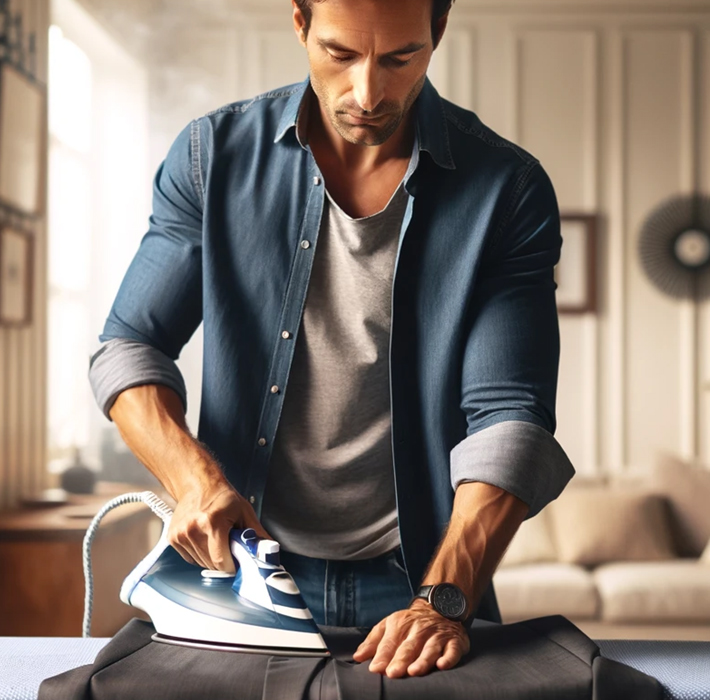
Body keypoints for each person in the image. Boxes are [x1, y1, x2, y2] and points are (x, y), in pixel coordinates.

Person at [88, 0, 574, 679]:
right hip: (242, 577)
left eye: (399, 57)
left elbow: (510, 417)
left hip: (422, 578)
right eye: (341, 54)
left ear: (437, 31)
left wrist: (445, 597)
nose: (368, 93)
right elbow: (129, 347)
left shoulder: (507, 191)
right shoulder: (212, 158)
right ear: (300, 23)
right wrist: (194, 482)